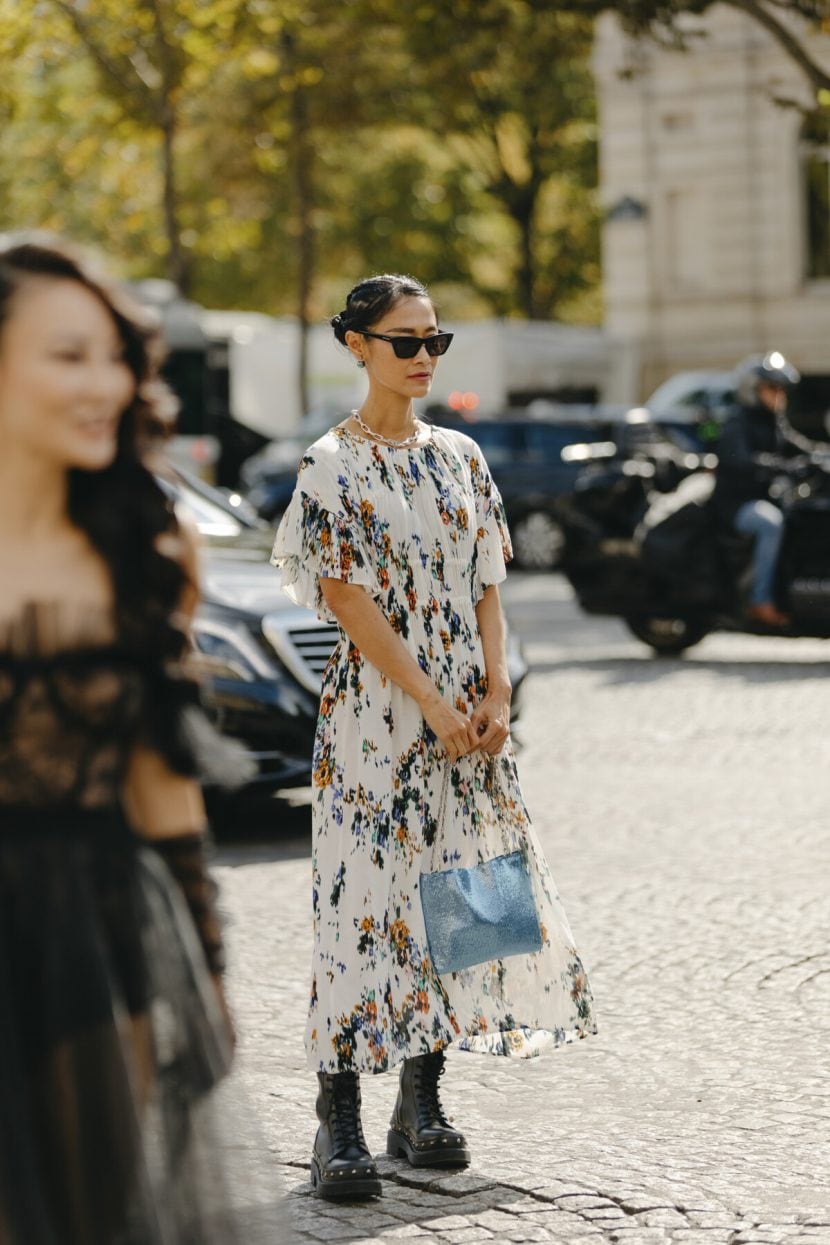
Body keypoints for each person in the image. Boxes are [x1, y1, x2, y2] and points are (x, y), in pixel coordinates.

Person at [271, 273, 597, 1202]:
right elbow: (348, 601)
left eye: (434, 341)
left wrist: (495, 688)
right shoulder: (328, 462)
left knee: (462, 898)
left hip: (469, 715)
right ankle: (338, 1113)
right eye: (404, 341)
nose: (423, 357)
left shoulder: (460, 455)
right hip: (378, 718)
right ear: (356, 344)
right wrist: (432, 702)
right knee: (359, 905)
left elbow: (490, 579)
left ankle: (421, 1099)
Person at [0, 235, 244, 1243]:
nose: (104, 383)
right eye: (68, 356)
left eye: (113, 356)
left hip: (91, 936)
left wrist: (210, 972)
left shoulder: (146, 550)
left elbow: (160, 783)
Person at [712, 352, 811, 627]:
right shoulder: (737, 422)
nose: (779, 394)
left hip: (764, 495)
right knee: (772, 524)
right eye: (772, 387)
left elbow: (799, 445)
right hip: (736, 505)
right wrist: (779, 466)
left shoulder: (774, 420)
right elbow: (742, 460)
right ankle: (760, 600)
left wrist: (821, 454)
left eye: (781, 388)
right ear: (753, 389)